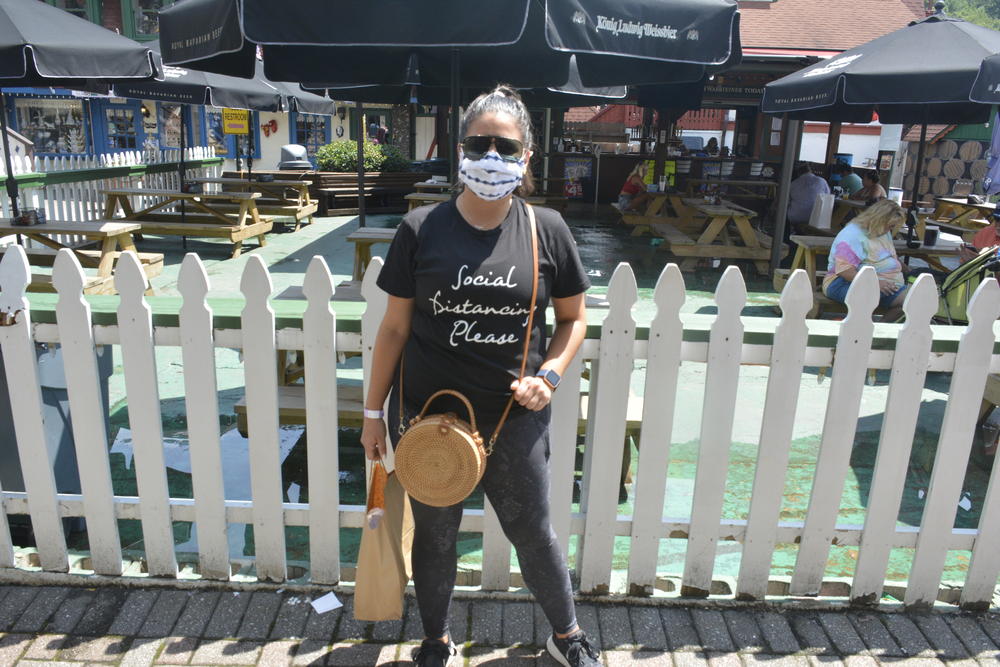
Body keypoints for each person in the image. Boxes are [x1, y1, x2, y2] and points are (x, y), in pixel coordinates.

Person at [361, 85, 598, 667]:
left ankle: (566, 636)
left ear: (527, 157)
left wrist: (551, 376)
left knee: (534, 536)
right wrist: (371, 414)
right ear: (461, 150)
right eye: (480, 143)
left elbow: (573, 322)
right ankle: (435, 640)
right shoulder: (421, 229)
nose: (492, 157)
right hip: (428, 420)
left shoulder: (548, 230)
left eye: (506, 146)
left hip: (515, 420)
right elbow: (393, 330)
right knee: (436, 537)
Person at [823, 199, 909, 322]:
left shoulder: (882, 231)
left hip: (880, 284)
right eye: (890, 226)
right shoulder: (852, 235)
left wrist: (908, 270)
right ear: (879, 220)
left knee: (911, 300)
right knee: (867, 298)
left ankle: (878, 333)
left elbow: (887, 256)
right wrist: (876, 283)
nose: (890, 230)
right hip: (841, 282)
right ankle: (861, 332)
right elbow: (844, 271)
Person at [787, 163, 830, 230]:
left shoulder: (793, 183)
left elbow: (786, 201)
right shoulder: (822, 181)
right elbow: (828, 197)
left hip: (795, 216)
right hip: (816, 218)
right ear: (810, 171)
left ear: (798, 173)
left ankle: (787, 235)